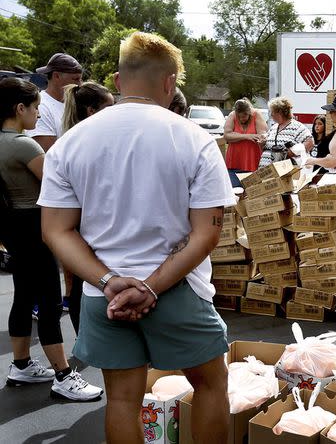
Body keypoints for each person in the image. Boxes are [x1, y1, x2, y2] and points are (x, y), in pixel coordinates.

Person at [39, 32, 234, 443]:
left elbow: (56, 231)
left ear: (116, 79)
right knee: (211, 385)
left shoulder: (70, 143)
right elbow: (206, 234)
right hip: (178, 289)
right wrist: (149, 286)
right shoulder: (194, 138)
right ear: (170, 82)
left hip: (102, 293)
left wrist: (110, 281)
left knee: (123, 400)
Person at [0, 77, 103, 401]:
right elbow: (59, 184)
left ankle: (21, 364)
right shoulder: (22, 144)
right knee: (48, 300)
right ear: (20, 108)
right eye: (35, 108)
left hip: (11, 226)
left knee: (24, 294)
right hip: (33, 225)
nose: (37, 114)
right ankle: (63, 375)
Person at [60, 81, 115, 332]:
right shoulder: (89, 143)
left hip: (78, 225)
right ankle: (87, 336)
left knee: (79, 284)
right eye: (109, 107)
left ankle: (84, 338)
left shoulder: (69, 141)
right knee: (89, 284)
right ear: (92, 111)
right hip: (90, 225)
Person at [27, 53, 83, 150]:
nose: (80, 84)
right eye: (76, 79)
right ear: (56, 76)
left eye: (80, 79)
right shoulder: (41, 106)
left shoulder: (76, 103)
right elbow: (49, 155)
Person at [259, 97, 312, 167]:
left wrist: (291, 153)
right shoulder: (274, 127)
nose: (271, 114)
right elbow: (266, 148)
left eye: (272, 111)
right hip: (266, 171)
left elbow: (310, 143)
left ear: (280, 112)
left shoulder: (297, 127)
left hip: (283, 171)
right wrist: (262, 143)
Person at [224, 98, 267, 172]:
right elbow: (227, 136)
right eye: (239, 117)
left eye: (243, 117)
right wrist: (248, 136)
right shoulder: (232, 115)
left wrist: (262, 139)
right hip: (234, 162)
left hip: (253, 160)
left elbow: (262, 135)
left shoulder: (256, 114)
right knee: (234, 183)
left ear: (249, 113)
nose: (241, 119)